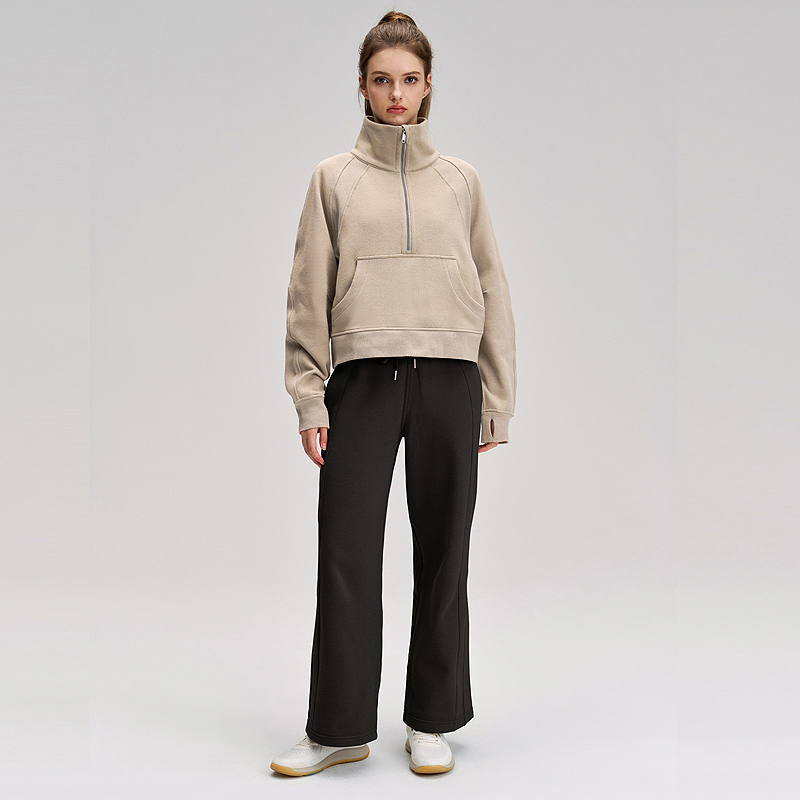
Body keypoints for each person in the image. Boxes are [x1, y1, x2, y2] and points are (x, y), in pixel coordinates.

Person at [270, 10, 517, 777]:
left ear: (429, 85)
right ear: (363, 87)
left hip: (449, 377)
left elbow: (492, 288)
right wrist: (309, 398)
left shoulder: (461, 181)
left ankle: (431, 720)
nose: (397, 93)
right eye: (383, 80)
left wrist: (496, 399)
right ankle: (338, 728)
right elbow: (307, 296)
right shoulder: (333, 179)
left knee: (445, 554)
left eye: (410, 79)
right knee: (345, 552)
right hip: (363, 381)